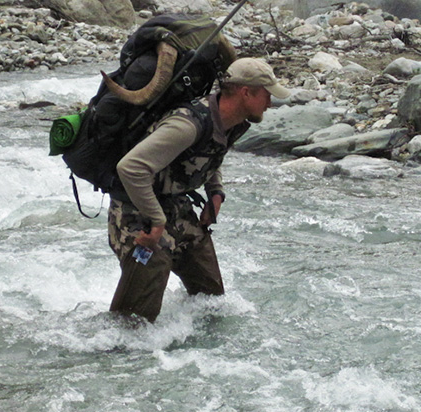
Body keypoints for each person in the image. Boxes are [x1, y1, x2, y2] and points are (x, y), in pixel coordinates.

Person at [107, 58, 291, 322]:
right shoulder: (187, 125)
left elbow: (212, 154)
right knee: (131, 326)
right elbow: (130, 168)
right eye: (266, 95)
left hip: (178, 208)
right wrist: (157, 222)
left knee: (212, 304)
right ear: (246, 92)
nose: (270, 103)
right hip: (138, 214)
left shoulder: (232, 121)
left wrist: (215, 192)